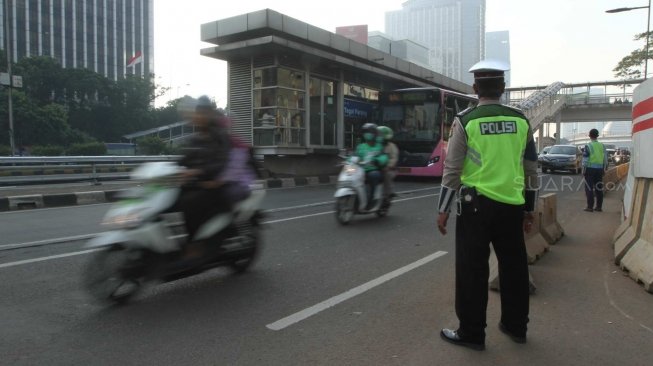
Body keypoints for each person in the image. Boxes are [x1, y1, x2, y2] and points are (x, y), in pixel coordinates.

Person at [436, 60, 540, 351]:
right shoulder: (521, 121)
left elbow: (452, 169)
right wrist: (529, 209)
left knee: (472, 270)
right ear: (503, 88)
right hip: (512, 207)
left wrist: (443, 209)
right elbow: (531, 170)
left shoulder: (466, 120)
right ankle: (516, 326)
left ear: (475, 88)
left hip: (475, 207)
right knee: (514, 267)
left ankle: (472, 333)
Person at [174, 96, 232, 243]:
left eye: (203, 113)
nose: (199, 116)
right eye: (198, 113)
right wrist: (170, 169)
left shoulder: (219, 136)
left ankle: (196, 243)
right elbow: (184, 158)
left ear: (210, 114)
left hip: (214, 184)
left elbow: (222, 161)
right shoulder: (195, 138)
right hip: (196, 183)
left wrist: (199, 171)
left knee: (189, 202)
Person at [353, 123, 388, 210]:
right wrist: (348, 160)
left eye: (370, 132)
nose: (367, 134)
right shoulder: (360, 147)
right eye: (366, 132)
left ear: (375, 134)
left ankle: (371, 200)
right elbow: (354, 156)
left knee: (373, 176)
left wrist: (378, 160)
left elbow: (384, 157)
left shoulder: (379, 146)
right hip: (360, 170)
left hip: (373, 170)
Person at [582, 128, 608, 212]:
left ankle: (590, 207)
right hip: (599, 169)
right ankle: (599, 207)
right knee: (599, 188)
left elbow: (585, 159)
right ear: (597, 136)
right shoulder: (602, 146)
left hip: (589, 169)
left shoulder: (588, 146)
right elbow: (605, 159)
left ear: (589, 136)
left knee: (589, 188)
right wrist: (604, 169)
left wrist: (583, 170)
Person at [377, 126, 399, 202]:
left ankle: (389, 193)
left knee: (387, 174)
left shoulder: (392, 147)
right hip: (375, 167)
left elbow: (394, 158)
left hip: (388, 169)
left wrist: (388, 166)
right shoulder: (375, 145)